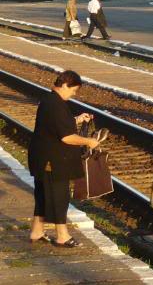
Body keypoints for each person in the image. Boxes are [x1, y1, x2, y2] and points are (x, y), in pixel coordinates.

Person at [28, 70, 102, 247]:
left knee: (43, 195)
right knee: (59, 197)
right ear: (64, 85)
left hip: (42, 157)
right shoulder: (57, 105)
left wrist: (75, 119)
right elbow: (67, 137)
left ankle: (37, 231)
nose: (74, 94)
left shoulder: (49, 100)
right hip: (52, 161)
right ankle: (62, 236)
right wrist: (89, 141)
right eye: (74, 90)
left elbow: (57, 125)